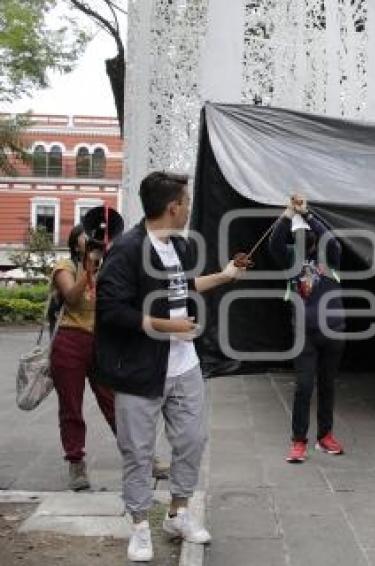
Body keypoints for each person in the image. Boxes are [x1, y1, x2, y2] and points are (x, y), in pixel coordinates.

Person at [95, 172, 245, 562]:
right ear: (172, 207)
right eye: (187, 201)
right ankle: (140, 526)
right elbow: (111, 311)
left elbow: (184, 286)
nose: (189, 207)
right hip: (140, 370)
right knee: (138, 452)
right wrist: (168, 326)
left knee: (192, 441)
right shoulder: (127, 250)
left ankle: (177, 514)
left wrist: (226, 275)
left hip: (185, 366)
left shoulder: (173, 246)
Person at [268, 193, 346, 464]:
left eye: (307, 235)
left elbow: (332, 239)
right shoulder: (291, 257)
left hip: (334, 331)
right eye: (299, 235)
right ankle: (298, 441)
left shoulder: (331, 255)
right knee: (303, 386)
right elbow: (274, 242)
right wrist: (289, 214)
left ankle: (325, 437)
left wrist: (309, 215)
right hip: (305, 335)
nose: (304, 240)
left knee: (327, 386)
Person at [50, 224, 117, 491]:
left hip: (100, 342)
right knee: (71, 406)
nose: (94, 241)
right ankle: (76, 461)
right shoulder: (64, 266)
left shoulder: (109, 268)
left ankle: (139, 455)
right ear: (76, 242)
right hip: (69, 340)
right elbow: (72, 298)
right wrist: (88, 270)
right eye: (87, 237)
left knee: (114, 402)